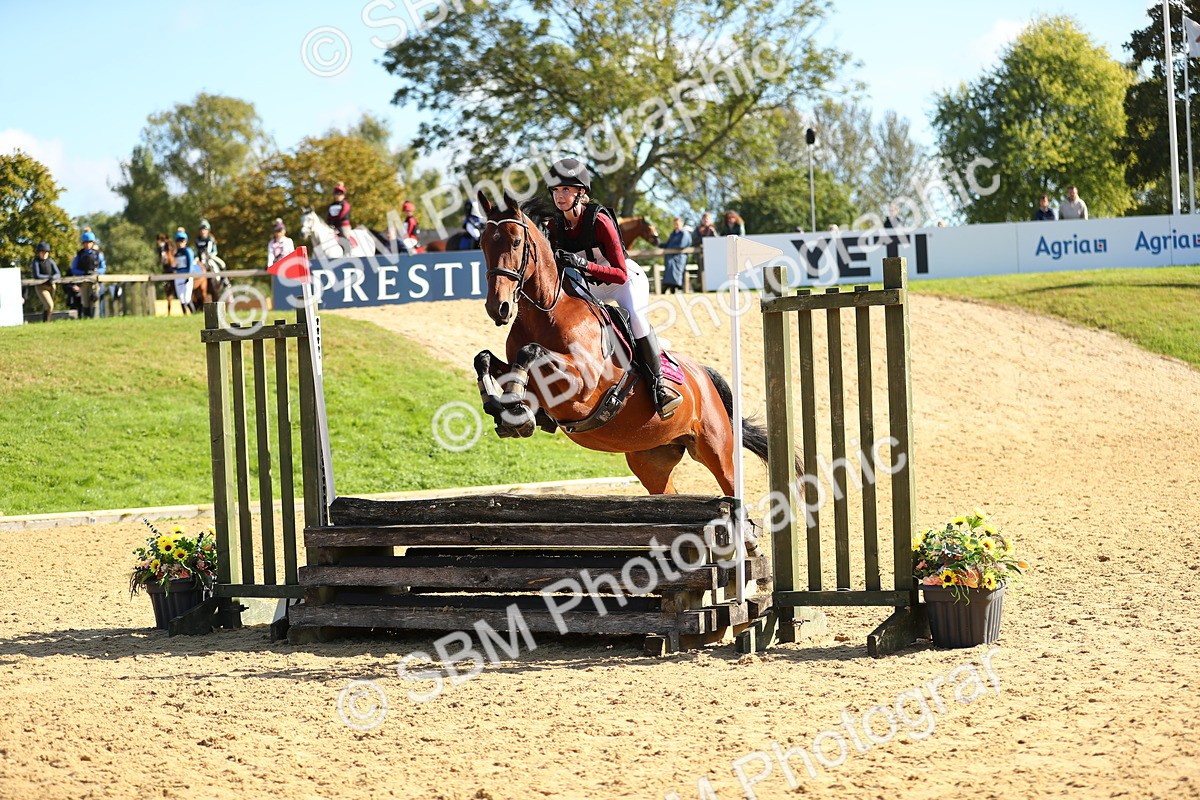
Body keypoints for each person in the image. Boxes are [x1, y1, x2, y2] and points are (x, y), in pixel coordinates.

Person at [544, 157, 682, 418]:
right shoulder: (555, 225)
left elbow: (619, 273)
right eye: (555, 190)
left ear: (580, 193)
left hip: (625, 282)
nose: (559, 196)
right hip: (591, 287)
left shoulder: (600, 221)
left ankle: (659, 386)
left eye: (566, 190)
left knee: (638, 321)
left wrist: (581, 265)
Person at [70, 230, 107, 318]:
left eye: (89, 242)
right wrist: (83, 273)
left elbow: (103, 267)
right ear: (83, 243)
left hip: (94, 280)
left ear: (93, 243)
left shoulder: (98, 254)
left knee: (94, 297)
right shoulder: (79, 255)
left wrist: (96, 272)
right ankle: (87, 317)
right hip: (83, 281)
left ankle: (95, 317)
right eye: (85, 243)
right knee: (85, 301)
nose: (87, 245)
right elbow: (74, 269)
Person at [29, 242, 60, 322]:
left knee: (48, 306)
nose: (44, 254)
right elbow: (37, 275)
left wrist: (53, 277)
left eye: (46, 252)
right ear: (39, 253)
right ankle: (47, 320)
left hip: (51, 285)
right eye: (42, 252)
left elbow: (58, 273)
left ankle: (46, 321)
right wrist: (49, 277)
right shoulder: (36, 262)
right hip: (41, 287)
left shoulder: (50, 261)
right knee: (50, 304)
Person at [172, 228, 199, 313]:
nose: (180, 243)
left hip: (186, 275)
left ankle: (193, 313)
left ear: (185, 241)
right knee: (181, 298)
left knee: (187, 298)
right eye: (178, 241)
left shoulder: (188, 251)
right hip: (178, 276)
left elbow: (190, 264)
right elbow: (176, 265)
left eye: (182, 241)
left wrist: (189, 275)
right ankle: (185, 314)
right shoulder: (176, 253)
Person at [662, 217, 689, 294]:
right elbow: (668, 244)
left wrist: (672, 248)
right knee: (669, 273)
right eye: (675, 224)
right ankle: (671, 288)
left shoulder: (684, 233)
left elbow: (682, 245)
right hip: (671, 257)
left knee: (677, 274)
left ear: (681, 224)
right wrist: (659, 244)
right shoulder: (673, 234)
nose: (676, 225)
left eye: (677, 223)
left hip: (679, 257)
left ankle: (676, 288)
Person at [327, 182, 353, 253]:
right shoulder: (331, 205)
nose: (338, 196)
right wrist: (329, 223)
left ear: (343, 196)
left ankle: (348, 250)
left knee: (344, 236)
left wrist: (333, 221)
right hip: (333, 225)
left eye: (340, 194)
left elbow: (342, 215)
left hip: (343, 225)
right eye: (337, 194)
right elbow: (329, 215)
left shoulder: (345, 204)